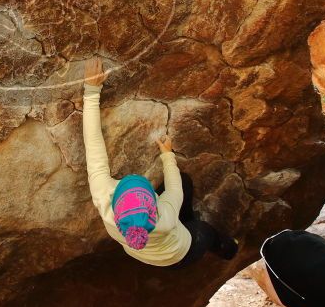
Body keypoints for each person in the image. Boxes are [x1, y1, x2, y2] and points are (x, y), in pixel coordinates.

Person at [82, 57, 237, 267]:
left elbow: (93, 144)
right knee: (204, 231)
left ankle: (187, 218)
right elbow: (175, 189)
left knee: (184, 190)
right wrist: (167, 154)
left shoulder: (105, 200)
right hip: (180, 252)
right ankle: (229, 250)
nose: (133, 177)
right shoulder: (165, 216)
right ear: (154, 208)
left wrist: (91, 91)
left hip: (143, 251)